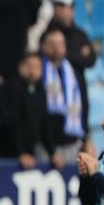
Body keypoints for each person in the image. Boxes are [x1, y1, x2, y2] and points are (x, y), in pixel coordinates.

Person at [39, 28, 85, 166]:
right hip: (45, 144)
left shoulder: (73, 72)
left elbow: (84, 105)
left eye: (60, 43)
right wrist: (51, 149)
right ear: (43, 47)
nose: (56, 48)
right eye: (52, 44)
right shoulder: (39, 71)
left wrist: (85, 138)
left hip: (72, 141)